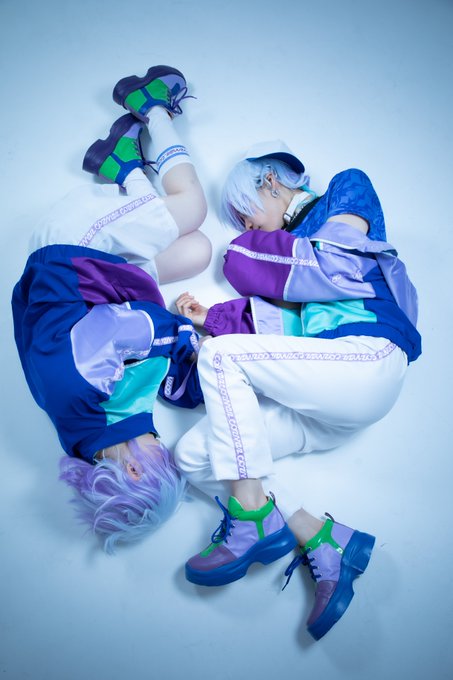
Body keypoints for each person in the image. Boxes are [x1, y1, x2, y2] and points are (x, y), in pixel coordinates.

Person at [174, 141, 421, 640]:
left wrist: (242, 253)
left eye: (244, 214)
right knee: (193, 456)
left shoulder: (347, 189)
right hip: (327, 400)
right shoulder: (289, 259)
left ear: (269, 181)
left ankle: (251, 518)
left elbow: (327, 269)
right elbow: (283, 326)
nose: (246, 227)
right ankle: (323, 538)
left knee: (221, 357)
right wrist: (211, 319)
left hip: (368, 359)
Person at [12, 65, 211, 553]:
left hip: (74, 246)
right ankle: (122, 166)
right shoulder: (94, 433)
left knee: (192, 207)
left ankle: (150, 105)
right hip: (101, 279)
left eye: (163, 461)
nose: (164, 448)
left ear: (136, 469)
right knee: (199, 251)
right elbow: (141, 372)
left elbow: (126, 329)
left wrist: (182, 333)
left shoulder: (81, 395)